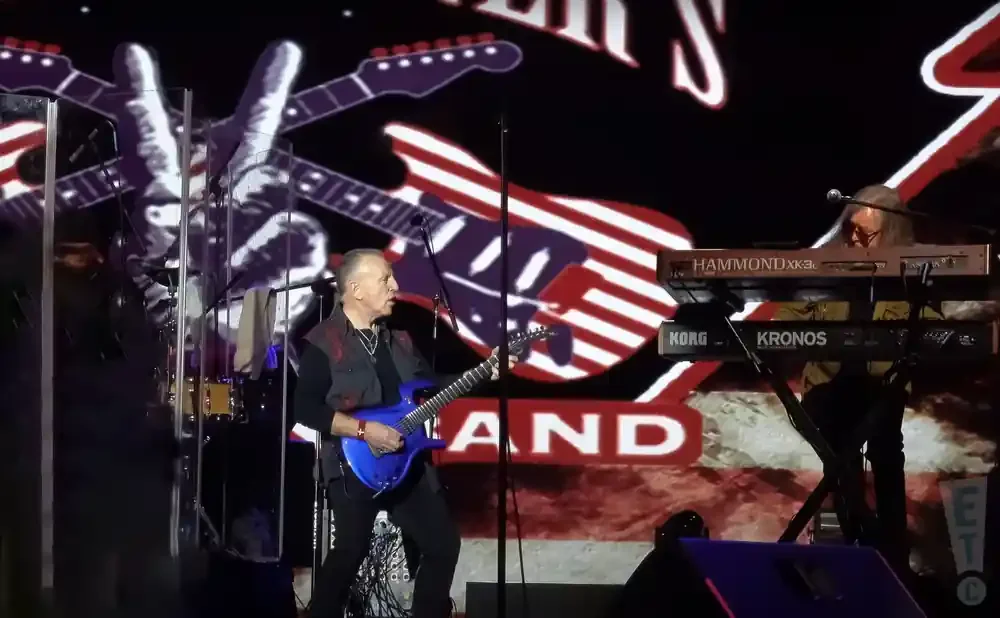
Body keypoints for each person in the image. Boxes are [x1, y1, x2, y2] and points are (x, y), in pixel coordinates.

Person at [294, 248, 515, 618]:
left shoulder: (399, 340)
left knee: (442, 544)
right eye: (384, 279)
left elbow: (433, 386)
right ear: (356, 288)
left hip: (406, 464)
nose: (394, 287)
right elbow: (305, 408)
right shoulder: (323, 341)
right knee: (350, 550)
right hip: (353, 466)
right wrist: (365, 431)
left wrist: (487, 370)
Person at [775, 184, 942, 575]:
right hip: (829, 386)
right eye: (853, 229)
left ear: (893, 232)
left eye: (868, 232)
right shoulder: (825, 264)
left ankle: (893, 555)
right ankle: (856, 544)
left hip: (882, 385)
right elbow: (787, 322)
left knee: (886, 451)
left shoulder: (909, 271)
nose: (857, 239)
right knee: (841, 457)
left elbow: (933, 328)